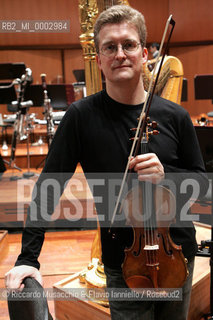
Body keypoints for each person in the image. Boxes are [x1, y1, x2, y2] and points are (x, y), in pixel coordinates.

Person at [5, 5, 208, 320]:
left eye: (128, 44)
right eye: (109, 47)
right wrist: (27, 257)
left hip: (176, 255)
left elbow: (200, 185)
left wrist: (166, 176)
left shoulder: (176, 116)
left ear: (143, 53)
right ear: (98, 59)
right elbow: (49, 187)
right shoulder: (81, 117)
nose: (120, 54)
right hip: (123, 261)